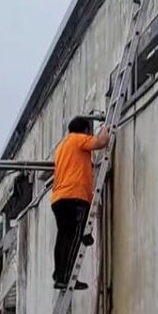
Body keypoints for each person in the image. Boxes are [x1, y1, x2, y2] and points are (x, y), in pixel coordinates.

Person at [51, 117, 110, 290]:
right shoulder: (79, 139)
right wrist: (106, 128)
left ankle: (59, 273)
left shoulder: (62, 147)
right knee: (73, 238)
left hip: (59, 198)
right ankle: (66, 278)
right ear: (84, 130)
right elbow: (101, 142)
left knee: (63, 237)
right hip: (74, 197)